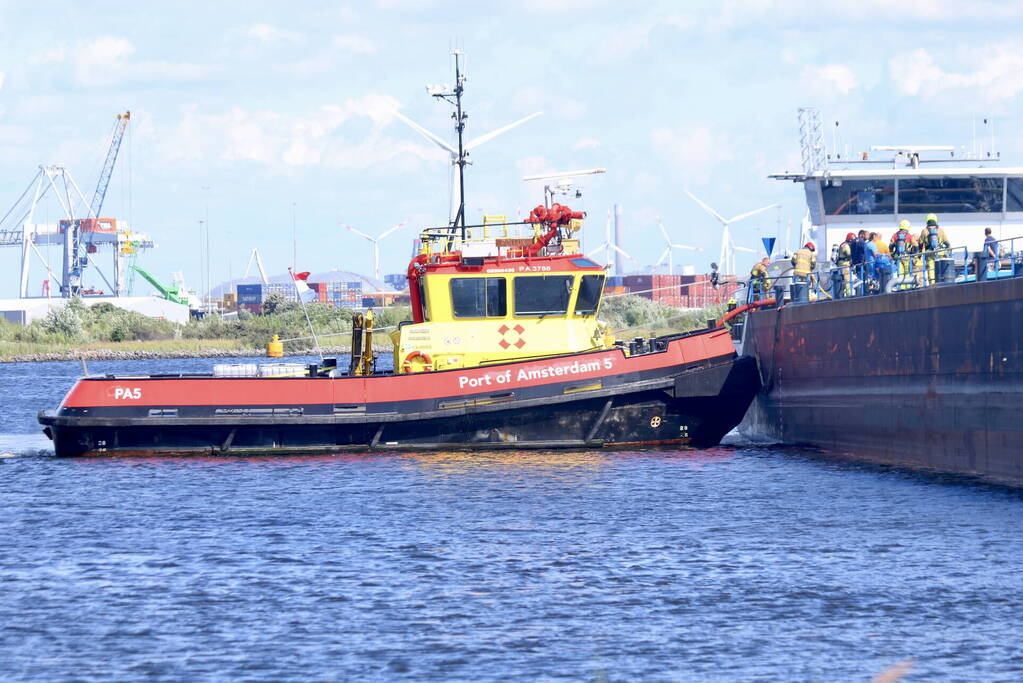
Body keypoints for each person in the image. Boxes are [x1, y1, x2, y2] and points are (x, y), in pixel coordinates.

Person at [918, 214, 950, 285]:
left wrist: (919, 256)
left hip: (930, 254)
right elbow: (947, 244)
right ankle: (942, 283)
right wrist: (947, 252)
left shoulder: (924, 231)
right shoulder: (940, 230)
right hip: (940, 254)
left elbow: (920, 244)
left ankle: (932, 285)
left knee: (931, 271)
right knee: (941, 270)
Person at [890, 219, 913, 290]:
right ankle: (908, 287)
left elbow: (890, 246)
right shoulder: (909, 236)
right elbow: (915, 245)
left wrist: (893, 255)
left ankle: (901, 288)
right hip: (907, 257)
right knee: (907, 273)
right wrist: (912, 254)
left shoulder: (895, 235)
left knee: (900, 273)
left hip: (898, 257)